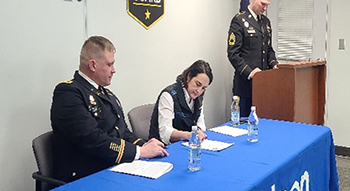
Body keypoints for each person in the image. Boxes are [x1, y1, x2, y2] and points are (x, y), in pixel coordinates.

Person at [50, 36, 168, 183]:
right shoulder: (68, 93)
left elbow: (122, 131)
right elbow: (92, 139)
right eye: (109, 65)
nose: (114, 70)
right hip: (84, 176)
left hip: (110, 166)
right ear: (93, 65)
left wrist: (144, 144)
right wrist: (140, 152)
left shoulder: (106, 94)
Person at [227, 0, 278, 117]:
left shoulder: (266, 22)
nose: (265, 8)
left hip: (263, 85)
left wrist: (275, 65)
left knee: (261, 124)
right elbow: (233, 53)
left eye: (267, 5)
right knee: (244, 124)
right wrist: (250, 73)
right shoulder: (239, 20)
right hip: (245, 86)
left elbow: (268, 49)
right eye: (263, 4)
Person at [149, 60, 213, 145]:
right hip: (163, 147)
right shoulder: (169, 95)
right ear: (189, 77)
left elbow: (201, 125)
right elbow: (164, 133)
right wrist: (187, 135)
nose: (199, 91)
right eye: (197, 84)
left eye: (203, 88)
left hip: (187, 144)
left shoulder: (198, 97)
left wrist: (199, 132)